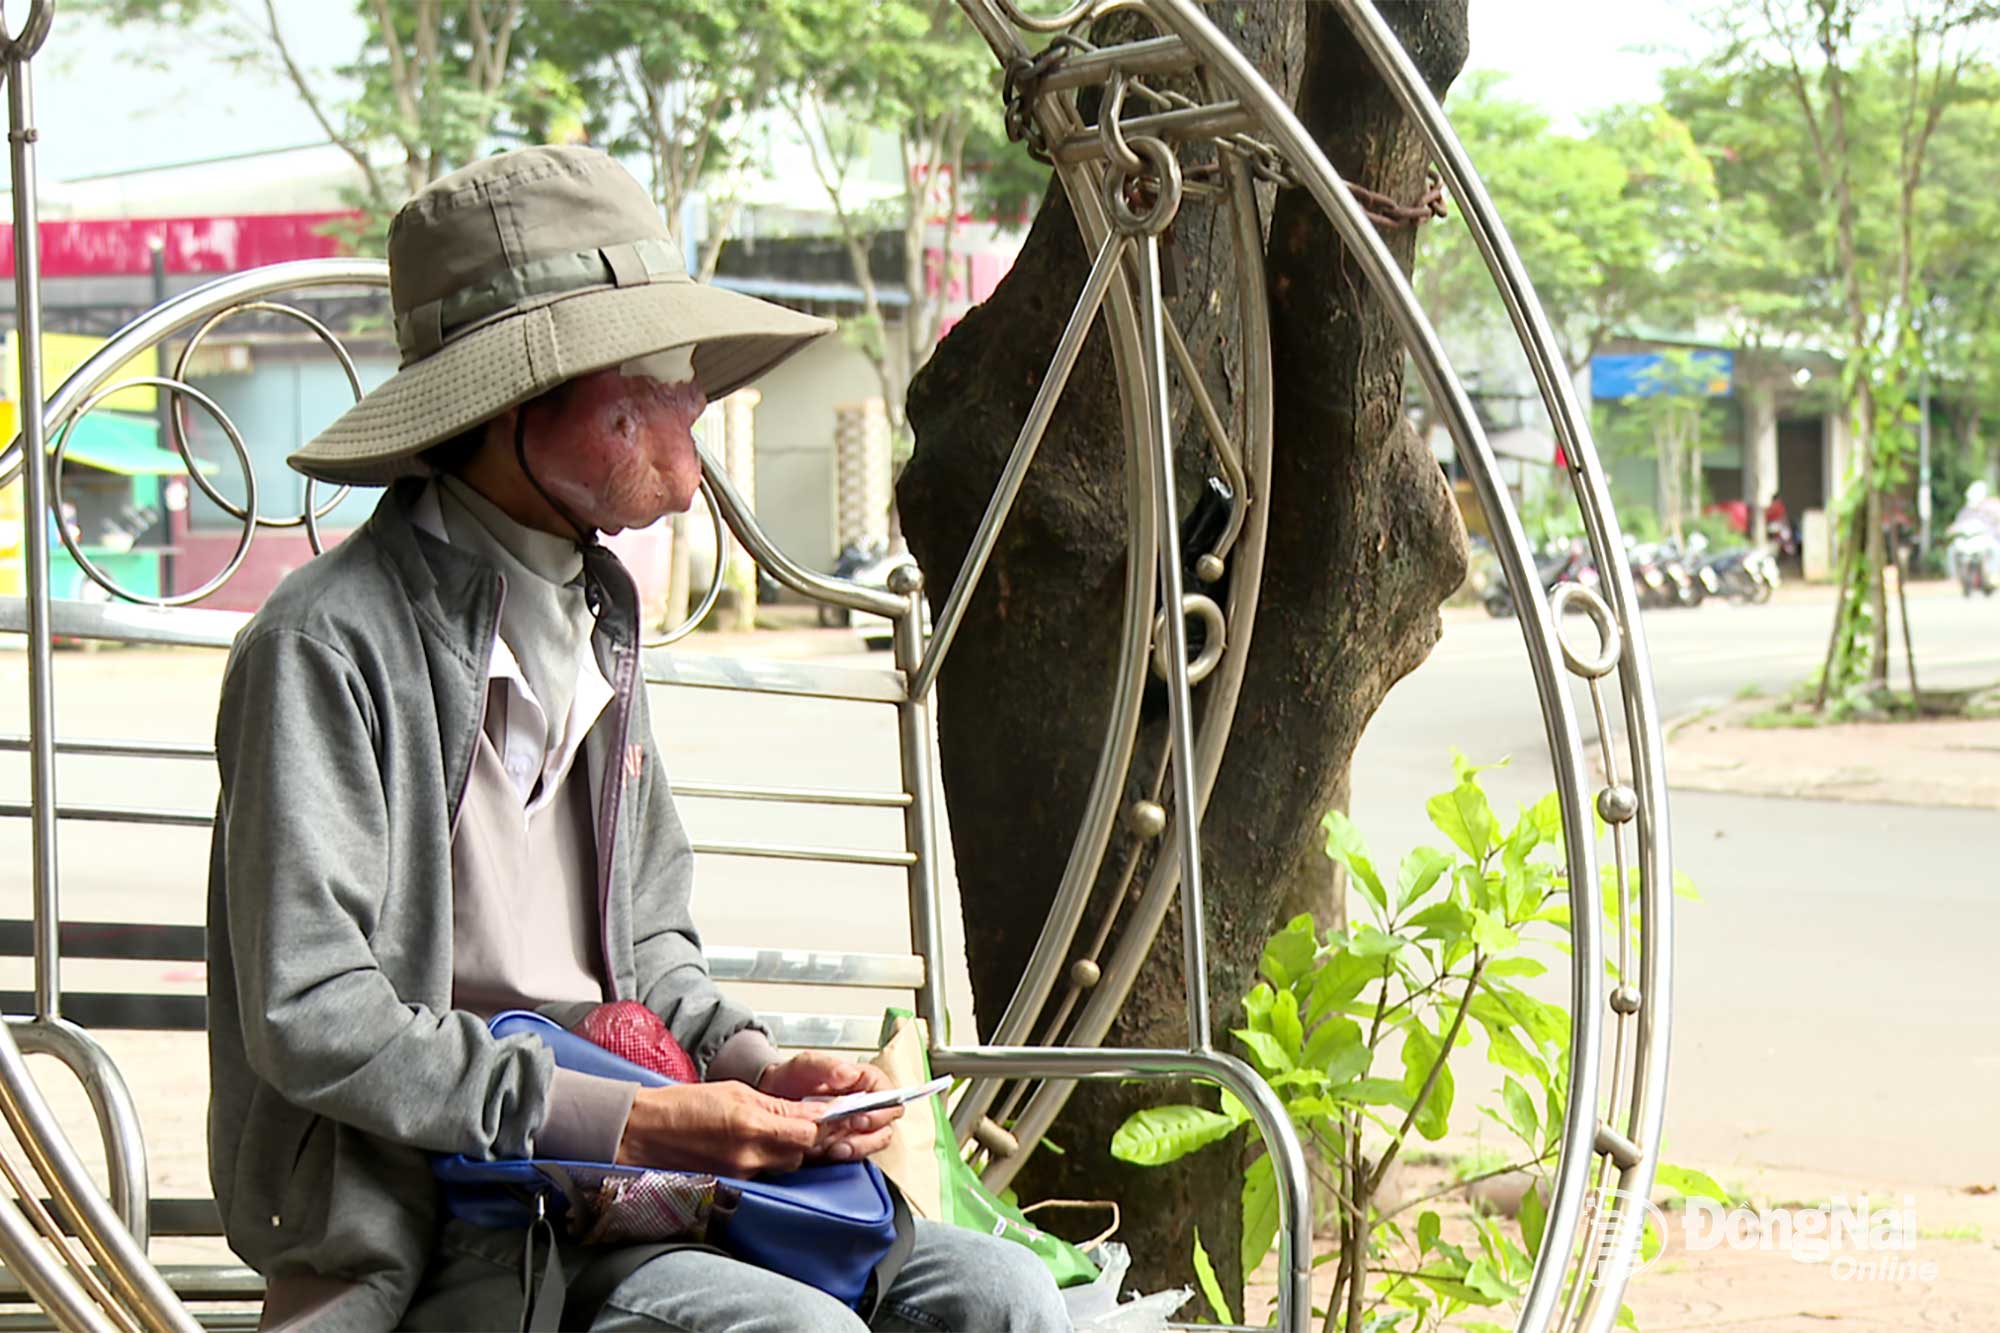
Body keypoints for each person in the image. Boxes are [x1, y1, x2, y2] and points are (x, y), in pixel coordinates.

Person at [206, 145, 1069, 1332]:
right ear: (522, 402)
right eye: (658, 367)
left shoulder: (596, 615)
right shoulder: (323, 647)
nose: (696, 399)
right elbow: (317, 1016)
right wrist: (643, 1119)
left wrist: (762, 1074)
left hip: (671, 1193)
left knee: (1005, 1297)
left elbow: (650, 958)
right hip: (469, 1229)